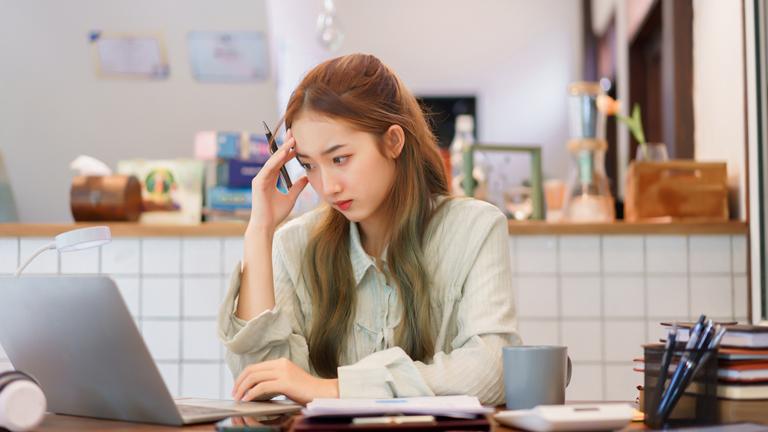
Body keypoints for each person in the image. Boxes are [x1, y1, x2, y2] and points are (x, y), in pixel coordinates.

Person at [218, 53, 520, 406]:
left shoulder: (474, 228)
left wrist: (337, 389)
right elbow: (259, 381)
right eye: (309, 166)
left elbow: (492, 368)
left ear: (393, 141)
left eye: (340, 158)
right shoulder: (294, 243)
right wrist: (260, 230)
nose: (327, 186)